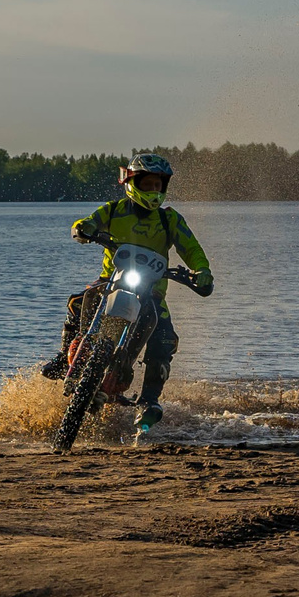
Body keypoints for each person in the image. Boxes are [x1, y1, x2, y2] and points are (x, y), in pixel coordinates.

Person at [43, 152, 214, 436]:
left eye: (158, 185)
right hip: (111, 281)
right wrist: (83, 228)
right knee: (77, 302)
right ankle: (66, 357)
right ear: (132, 183)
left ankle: (149, 401)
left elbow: (192, 249)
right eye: (148, 184)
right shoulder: (113, 210)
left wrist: (202, 270)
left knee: (165, 338)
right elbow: (86, 223)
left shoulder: (169, 219)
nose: (154, 191)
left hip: (151, 291)